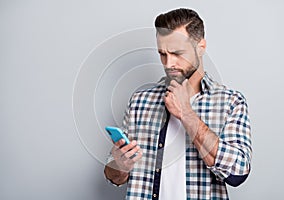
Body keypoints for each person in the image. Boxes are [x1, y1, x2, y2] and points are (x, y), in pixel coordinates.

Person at [104, 8, 252, 200]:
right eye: (162, 54)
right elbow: (113, 176)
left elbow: (237, 174)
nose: (168, 63)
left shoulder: (231, 102)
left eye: (177, 53)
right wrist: (119, 167)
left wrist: (187, 114)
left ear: (201, 47)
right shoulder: (140, 101)